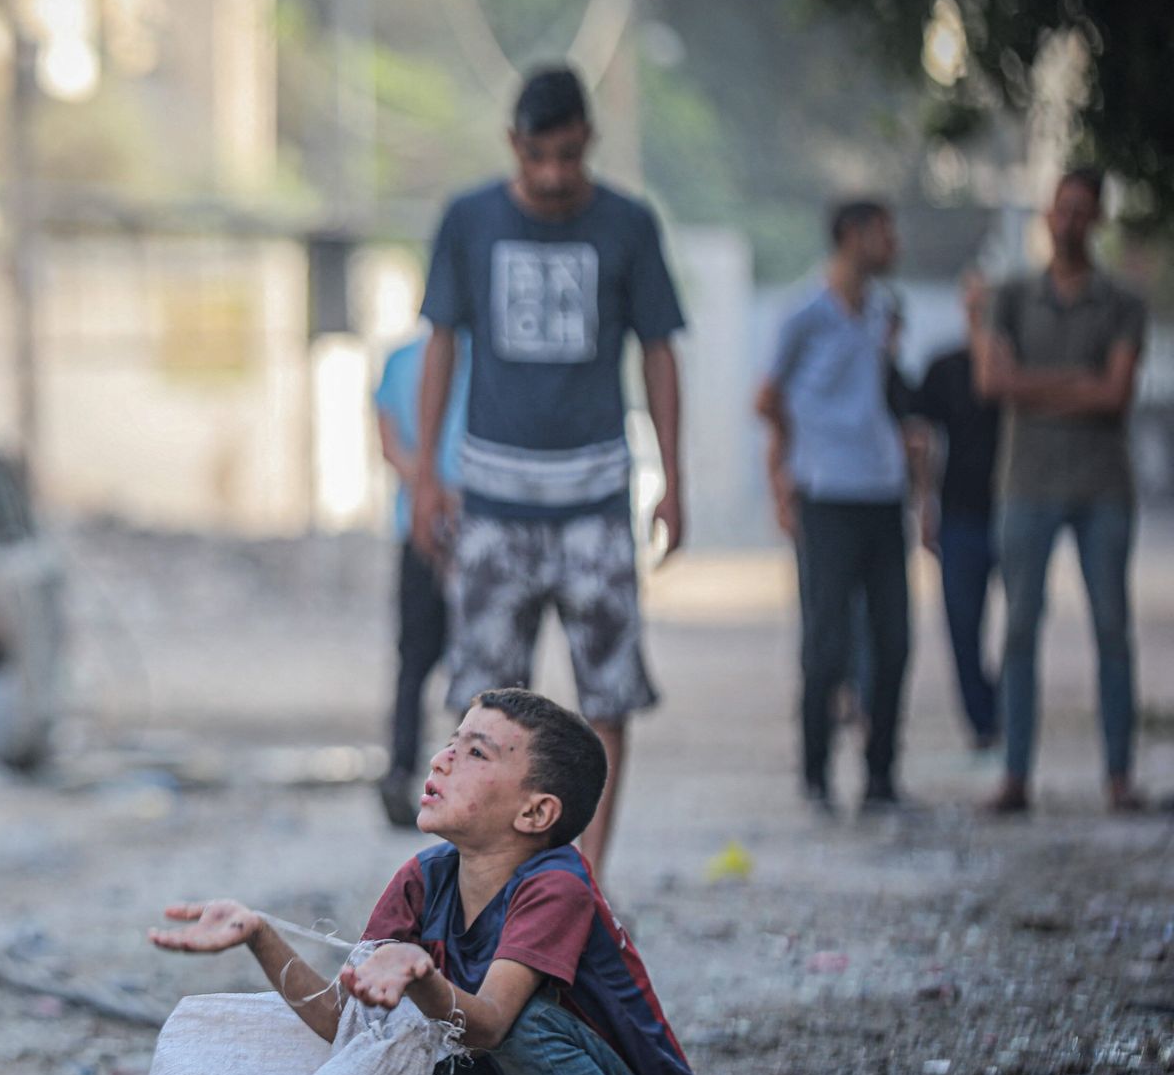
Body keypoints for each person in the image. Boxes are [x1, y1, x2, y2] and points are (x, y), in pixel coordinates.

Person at [150, 688, 705, 1075]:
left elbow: (492, 1023)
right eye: (450, 743)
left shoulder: (557, 885)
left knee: (517, 1024)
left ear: (536, 814)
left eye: (476, 754)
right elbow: (346, 1024)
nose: (441, 760)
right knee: (403, 1029)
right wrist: (260, 936)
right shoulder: (423, 878)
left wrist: (425, 980)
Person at [408, 65, 687, 886]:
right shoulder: (469, 220)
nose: (556, 174)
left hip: (597, 503)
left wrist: (673, 476)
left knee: (608, 697)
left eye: (569, 155)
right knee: (487, 709)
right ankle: (492, 885)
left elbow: (660, 351)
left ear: (589, 141)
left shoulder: (629, 226)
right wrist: (425, 473)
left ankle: (583, 887)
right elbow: (440, 343)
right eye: (540, 157)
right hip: (493, 504)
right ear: (513, 146)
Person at [971, 169, 1148, 814]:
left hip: (1103, 486)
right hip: (1026, 484)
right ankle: (1015, 775)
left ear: (1096, 218)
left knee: (1111, 628)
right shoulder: (1011, 296)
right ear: (1047, 217)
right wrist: (1080, 383)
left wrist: (1034, 384)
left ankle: (1119, 776)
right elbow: (992, 382)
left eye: (1082, 212)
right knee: (1018, 628)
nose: (1070, 222)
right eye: (1061, 210)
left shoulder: (1123, 301)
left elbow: (1117, 394)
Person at [754, 201, 914, 812]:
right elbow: (767, 398)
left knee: (893, 639)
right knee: (826, 643)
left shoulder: (882, 310)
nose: (892, 241)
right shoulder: (803, 313)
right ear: (852, 236)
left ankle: (881, 777)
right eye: (884, 230)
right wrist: (785, 472)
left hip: (883, 492)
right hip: (825, 495)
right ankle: (816, 775)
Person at [374, 332, 472, 828]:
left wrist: (423, 484)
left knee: (440, 661)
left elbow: (390, 440)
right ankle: (418, 773)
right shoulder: (409, 360)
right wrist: (435, 489)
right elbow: (388, 438)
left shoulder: (404, 360)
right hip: (444, 524)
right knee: (441, 658)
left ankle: (426, 772)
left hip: (456, 523)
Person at [907, 278, 1002, 751]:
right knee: (962, 626)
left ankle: (1007, 703)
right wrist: (925, 505)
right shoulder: (944, 367)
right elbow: (923, 439)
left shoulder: (1017, 371)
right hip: (961, 513)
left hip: (1015, 508)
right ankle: (983, 719)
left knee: (1023, 620)